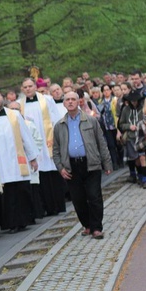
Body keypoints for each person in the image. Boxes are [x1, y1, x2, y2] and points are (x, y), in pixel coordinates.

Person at [52, 92, 112, 239]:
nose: (71, 102)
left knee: (94, 196)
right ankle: (87, 225)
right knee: (78, 199)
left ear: (78, 102)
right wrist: (60, 168)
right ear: (64, 103)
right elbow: (56, 150)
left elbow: (101, 143)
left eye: (73, 99)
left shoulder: (90, 121)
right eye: (67, 100)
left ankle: (97, 228)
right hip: (71, 167)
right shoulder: (59, 126)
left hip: (90, 163)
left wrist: (107, 163)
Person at [0, 88, 39, 233]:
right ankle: (10, 223)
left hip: (17, 160)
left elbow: (25, 136)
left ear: (2, 98)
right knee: (7, 195)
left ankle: (24, 220)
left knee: (21, 191)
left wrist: (33, 157)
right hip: (0, 163)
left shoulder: (14, 115)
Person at [18, 77, 66, 216]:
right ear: (22, 89)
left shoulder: (47, 100)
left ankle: (58, 204)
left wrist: (58, 139)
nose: (28, 89)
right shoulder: (19, 104)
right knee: (39, 176)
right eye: (25, 87)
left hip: (48, 141)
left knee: (52, 172)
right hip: (32, 143)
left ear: (35, 86)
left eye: (30, 86)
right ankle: (44, 207)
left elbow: (56, 119)